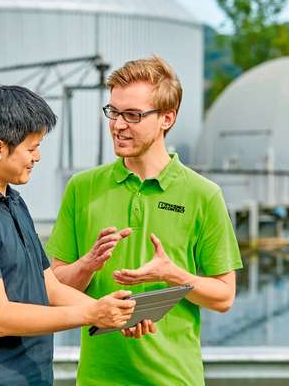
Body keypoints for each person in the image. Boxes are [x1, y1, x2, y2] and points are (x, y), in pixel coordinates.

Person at [46, 56, 243, 385]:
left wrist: (171, 275)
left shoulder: (203, 195)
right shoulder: (82, 189)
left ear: (167, 118)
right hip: (98, 379)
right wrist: (88, 264)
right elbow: (54, 289)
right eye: (113, 112)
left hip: (174, 379)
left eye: (133, 115)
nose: (118, 125)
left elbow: (224, 296)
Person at [0, 85, 140, 386]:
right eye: (31, 148)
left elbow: (48, 287)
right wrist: (92, 313)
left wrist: (116, 311)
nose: (38, 157)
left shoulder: (11, 199)